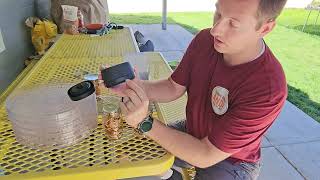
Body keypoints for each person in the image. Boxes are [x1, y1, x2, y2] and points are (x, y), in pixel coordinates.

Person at [101, 0, 288, 179]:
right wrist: (135, 87)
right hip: (193, 130)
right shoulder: (205, 40)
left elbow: (206, 154)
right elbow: (173, 87)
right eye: (218, 13)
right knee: (127, 156)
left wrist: (145, 122)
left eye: (233, 23)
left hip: (232, 161)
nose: (215, 30)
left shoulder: (268, 88)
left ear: (265, 28)